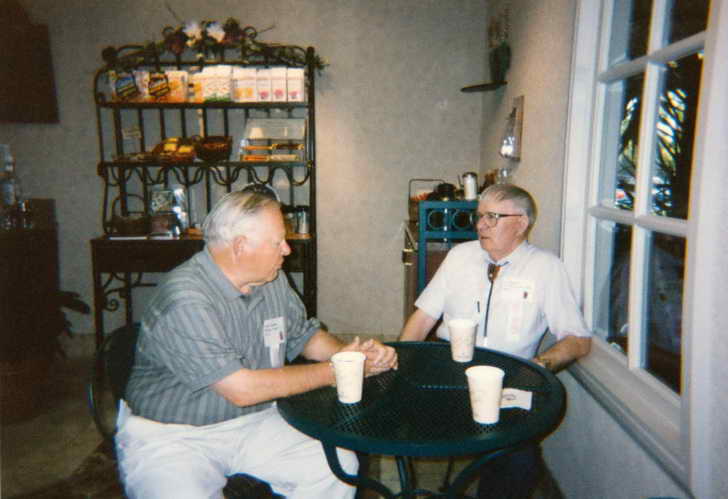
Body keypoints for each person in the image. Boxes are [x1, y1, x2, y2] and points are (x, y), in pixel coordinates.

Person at [116, 185, 398, 499]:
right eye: (278, 242)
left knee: (339, 466)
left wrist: (351, 356)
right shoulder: (185, 299)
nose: (287, 250)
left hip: (255, 421)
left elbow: (303, 336)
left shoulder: (271, 279)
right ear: (240, 246)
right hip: (172, 434)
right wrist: (337, 371)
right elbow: (241, 389)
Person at [399, 183, 590, 499]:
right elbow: (423, 318)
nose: (480, 225)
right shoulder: (460, 256)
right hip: (450, 368)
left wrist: (538, 366)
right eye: (479, 216)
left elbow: (578, 339)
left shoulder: (546, 268)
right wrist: (401, 362)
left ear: (521, 223)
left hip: (510, 376)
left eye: (492, 217)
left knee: (519, 462)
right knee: (402, 421)